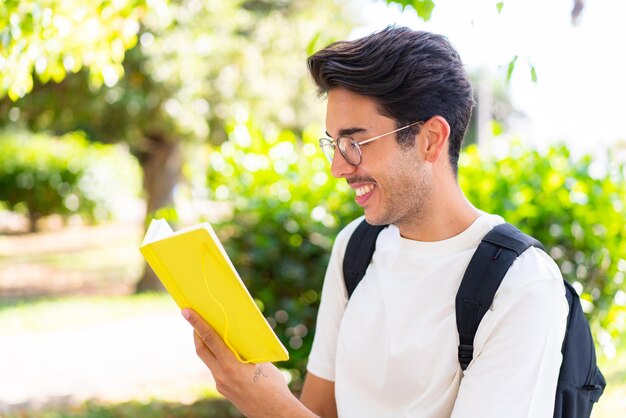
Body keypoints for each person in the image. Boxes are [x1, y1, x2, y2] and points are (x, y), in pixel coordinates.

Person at [182, 26, 568, 418]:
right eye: (334, 143)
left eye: (355, 143)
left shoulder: (521, 285)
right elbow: (320, 410)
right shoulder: (355, 247)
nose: (337, 167)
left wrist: (268, 404)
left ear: (430, 139)